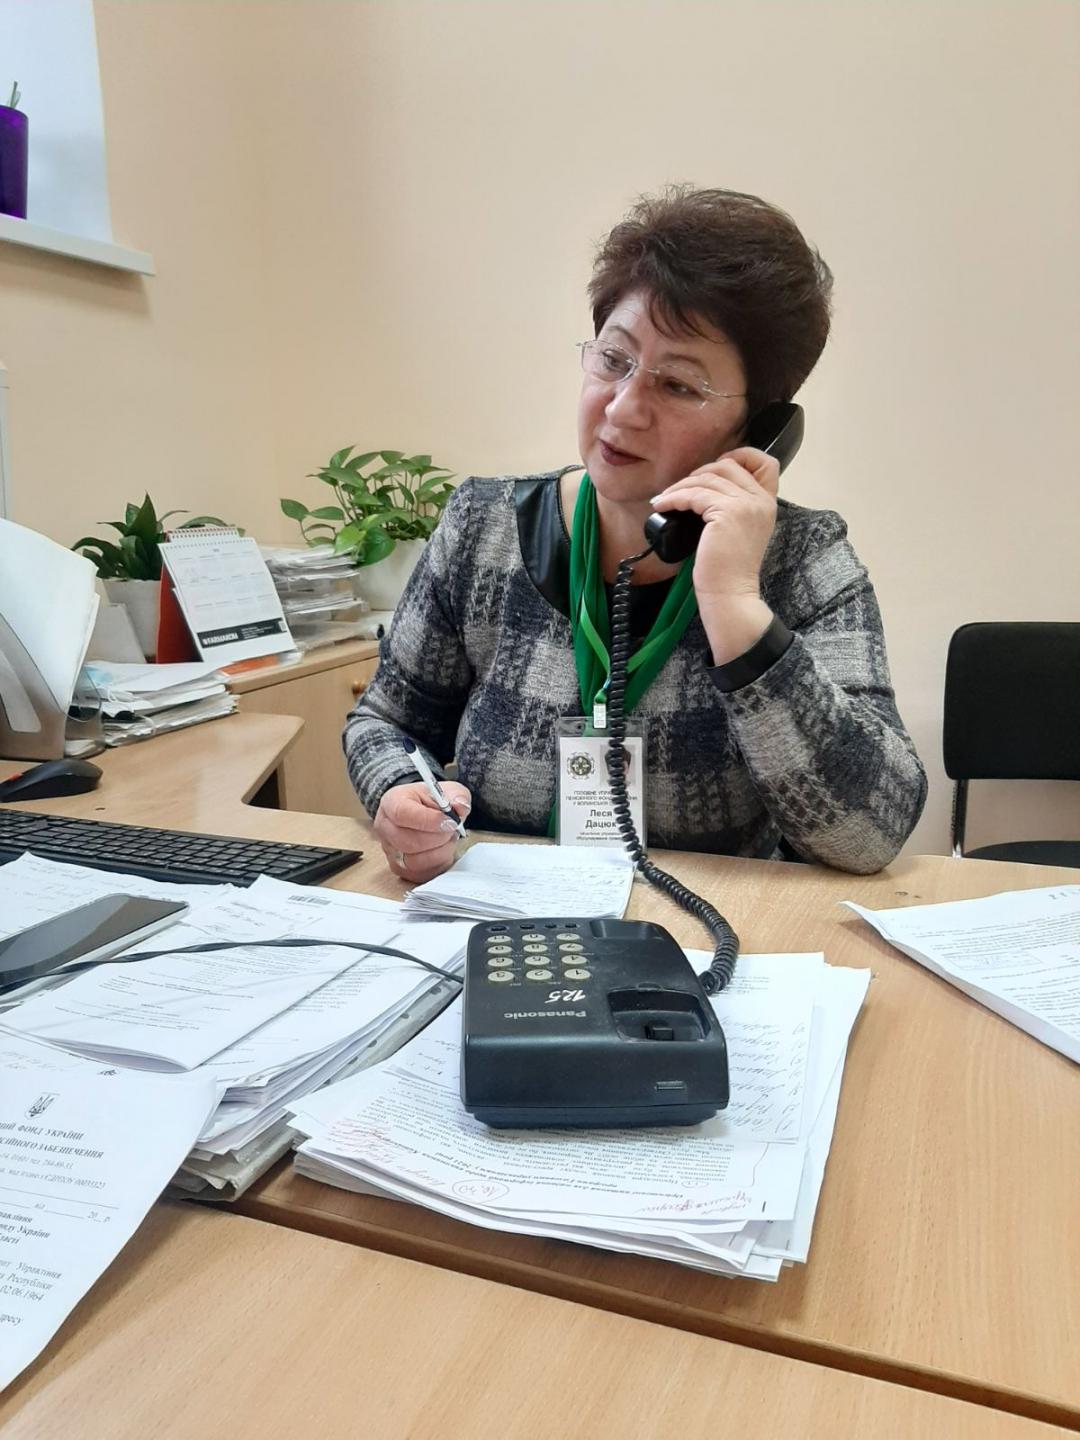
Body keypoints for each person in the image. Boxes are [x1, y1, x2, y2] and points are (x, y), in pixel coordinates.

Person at [344, 185, 927, 882]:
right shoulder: (483, 528)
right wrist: (398, 793)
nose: (622, 408)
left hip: (711, 932)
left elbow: (870, 836)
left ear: (756, 429)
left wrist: (735, 604)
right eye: (613, 360)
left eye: (678, 385)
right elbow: (385, 721)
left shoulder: (804, 561)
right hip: (506, 925)